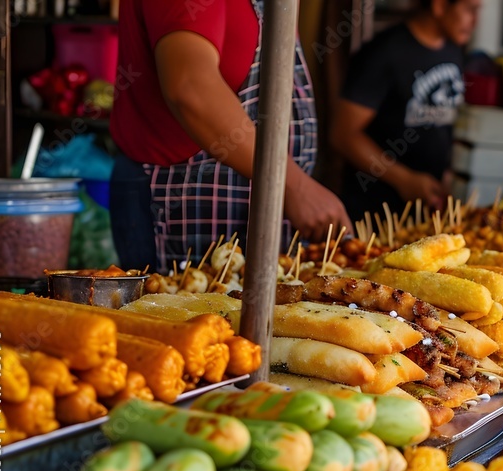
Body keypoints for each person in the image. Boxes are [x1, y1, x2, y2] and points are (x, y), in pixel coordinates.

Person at [110, 0, 352, 272]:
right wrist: (292, 185)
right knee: (184, 310)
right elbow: (190, 89)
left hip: (254, 199)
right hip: (181, 196)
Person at [331, 0, 481, 222]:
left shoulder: (453, 50)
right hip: (374, 215)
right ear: (439, 6)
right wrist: (404, 180)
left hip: (426, 215)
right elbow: (343, 136)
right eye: (470, 9)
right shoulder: (384, 52)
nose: (476, 20)